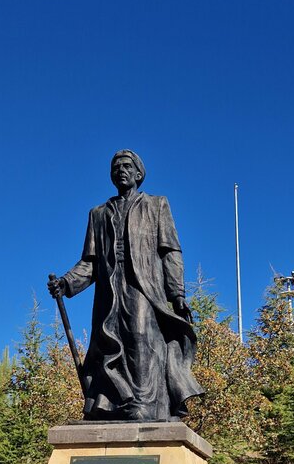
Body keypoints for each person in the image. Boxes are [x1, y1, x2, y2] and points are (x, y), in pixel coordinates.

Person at [48, 150, 204, 422]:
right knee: (110, 342)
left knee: (140, 336)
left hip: (143, 286)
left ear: (138, 174)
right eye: (116, 167)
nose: (121, 170)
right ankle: (113, 404)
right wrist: (67, 282)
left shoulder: (156, 205)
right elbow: (90, 262)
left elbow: (170, 252)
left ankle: (145, 403)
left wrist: (176, 294)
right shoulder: (98, 214)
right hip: (110, 290)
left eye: (127, 166)